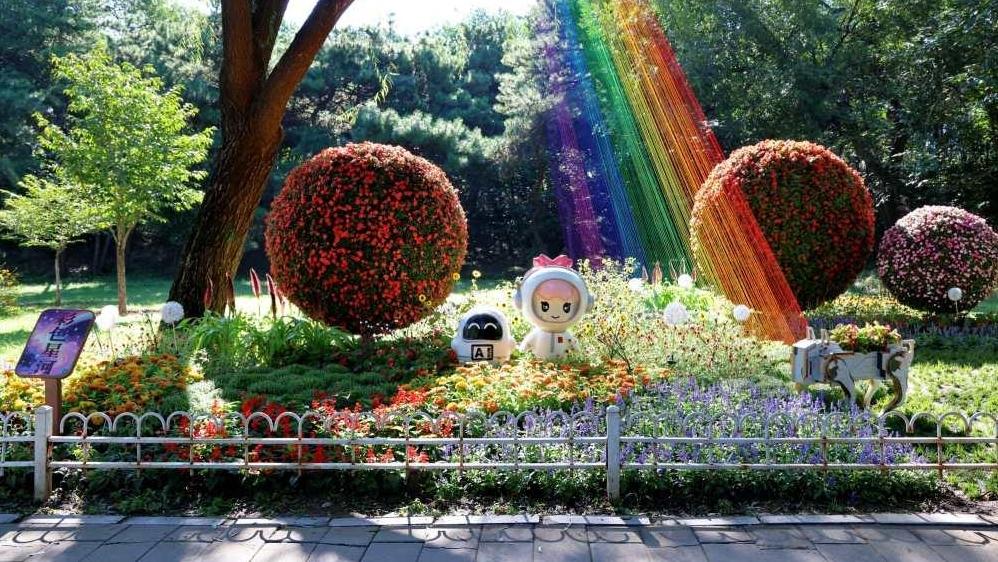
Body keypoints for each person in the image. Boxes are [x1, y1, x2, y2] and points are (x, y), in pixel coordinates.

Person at [515, 254, 593, 360]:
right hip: (539, 366)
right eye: (545, 306)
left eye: (566, 307)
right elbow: (525, 346)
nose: (555, 314)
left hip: (563, 367)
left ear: (587, 304)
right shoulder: (537, 334)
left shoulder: (565, 336)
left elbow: (575, 348)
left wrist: (580, 359)